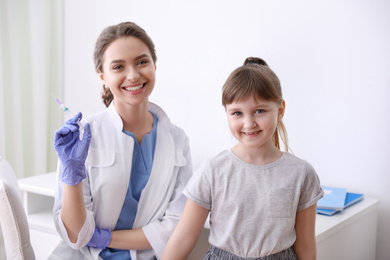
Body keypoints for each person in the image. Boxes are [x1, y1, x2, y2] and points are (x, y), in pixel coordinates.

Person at [49, 21, 193, 260]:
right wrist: (71, 175)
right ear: (103, 76)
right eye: (118, 67)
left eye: (142, 62)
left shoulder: (178, 141)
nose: (133, 75)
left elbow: (177, 227)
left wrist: (105, 237)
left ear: (154, 65)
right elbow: (75, 236)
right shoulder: (83, 139)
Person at [162, 57, 324, 260]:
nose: (249, 123)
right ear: (227, 113)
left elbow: (306, 246)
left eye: (259, 111)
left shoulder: (302, 173)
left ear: (280, 110)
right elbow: (182, 239)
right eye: (237, 113)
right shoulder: (213, 170)